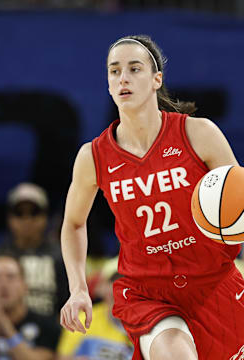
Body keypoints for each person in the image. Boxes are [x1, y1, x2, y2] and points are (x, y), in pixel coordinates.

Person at [59, 34, 244, 360]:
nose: (123, 78)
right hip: (147, 293)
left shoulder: (198, 133)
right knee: (174, 354)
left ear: (157, 79)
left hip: (214, 281)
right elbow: (74, 223)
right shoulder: (94, 156)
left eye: (134, 68)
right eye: (114, 71)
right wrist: (78, 288)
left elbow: (238, 200)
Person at [0, 182, 68, 318]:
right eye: (19, 213)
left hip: (51, 334)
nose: (27, 220)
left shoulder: (61, 256)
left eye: (34, 213)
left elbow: (69, 304)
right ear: (9, 219)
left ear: (45, 217)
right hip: (3, 332)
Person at [0, 254, 61, 360]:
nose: (3, 284)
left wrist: (7, 330)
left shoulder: (46, 325)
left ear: (24, 285)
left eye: (11, 277)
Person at [57, 257, 134, 359]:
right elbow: (62, 357)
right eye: (115, 281)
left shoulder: (151, 324)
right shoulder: (82, 320)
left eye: (128, 282)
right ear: (101, 288)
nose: (121, 290)